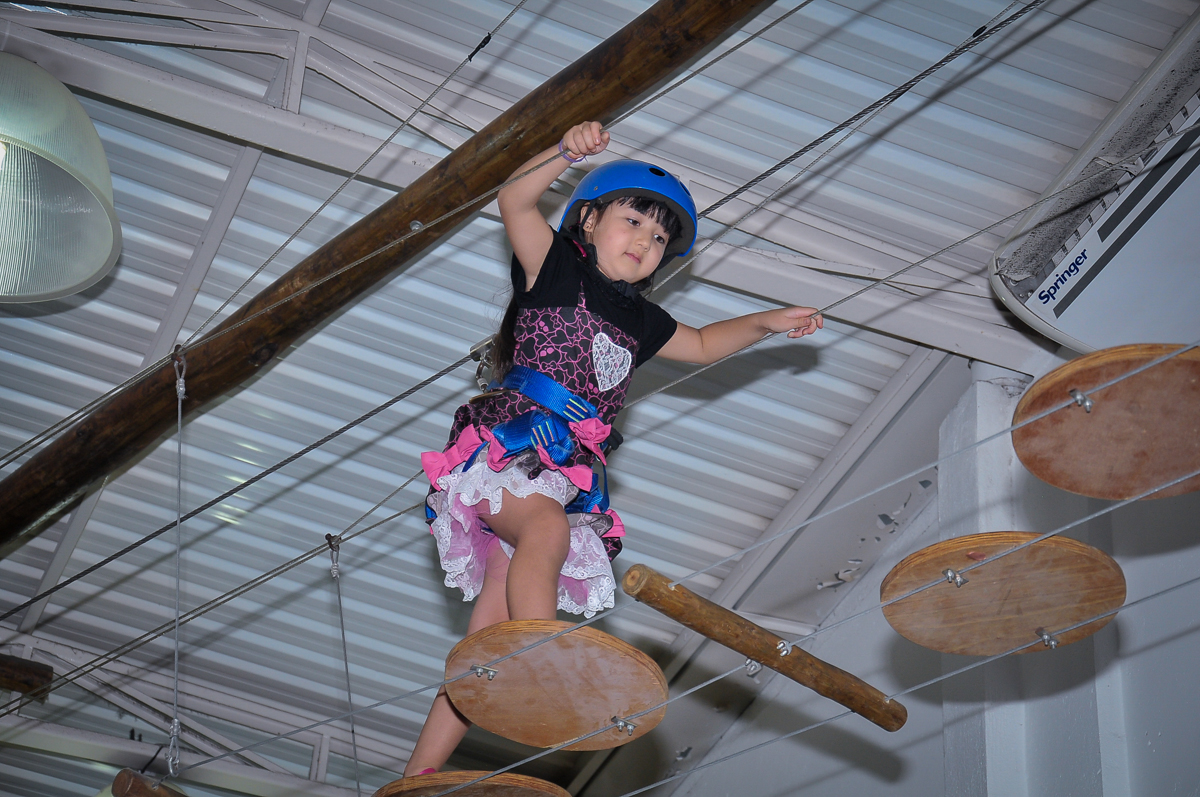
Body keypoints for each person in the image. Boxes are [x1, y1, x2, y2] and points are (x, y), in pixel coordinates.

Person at [404, 121, 822, 776]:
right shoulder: (556, 269)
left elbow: (708, 343)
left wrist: (768, 321)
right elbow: (514, 200)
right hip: (509, 451)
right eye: (634, 222)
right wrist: (563, 150)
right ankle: (542, 657)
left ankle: (413, 779)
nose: (646, 242)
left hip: (558, 475)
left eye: (659, 238)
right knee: (548, 532)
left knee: (484, 637)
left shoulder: (642, 320)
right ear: (589, 220)